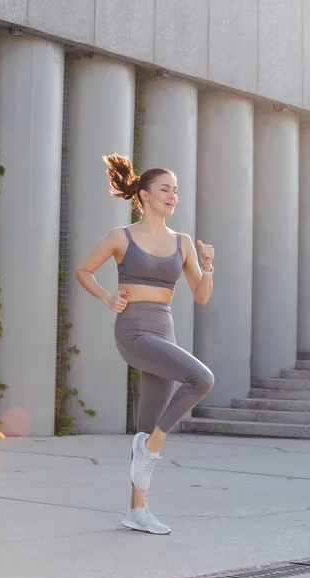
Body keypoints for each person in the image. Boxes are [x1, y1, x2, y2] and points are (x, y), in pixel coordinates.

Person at [75, 153, 215, 535]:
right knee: (201, 379)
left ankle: (137, 510)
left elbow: (200, 295)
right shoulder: (121, 236)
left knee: (149, 420)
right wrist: (107, 298)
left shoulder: (183, 241)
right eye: (165, 189)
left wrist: (208, 265)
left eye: (176, 191)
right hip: (133, 330)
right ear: (146, 194)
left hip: (163, 327)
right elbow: (83, 270)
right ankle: (151, 447)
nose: (173, 196)